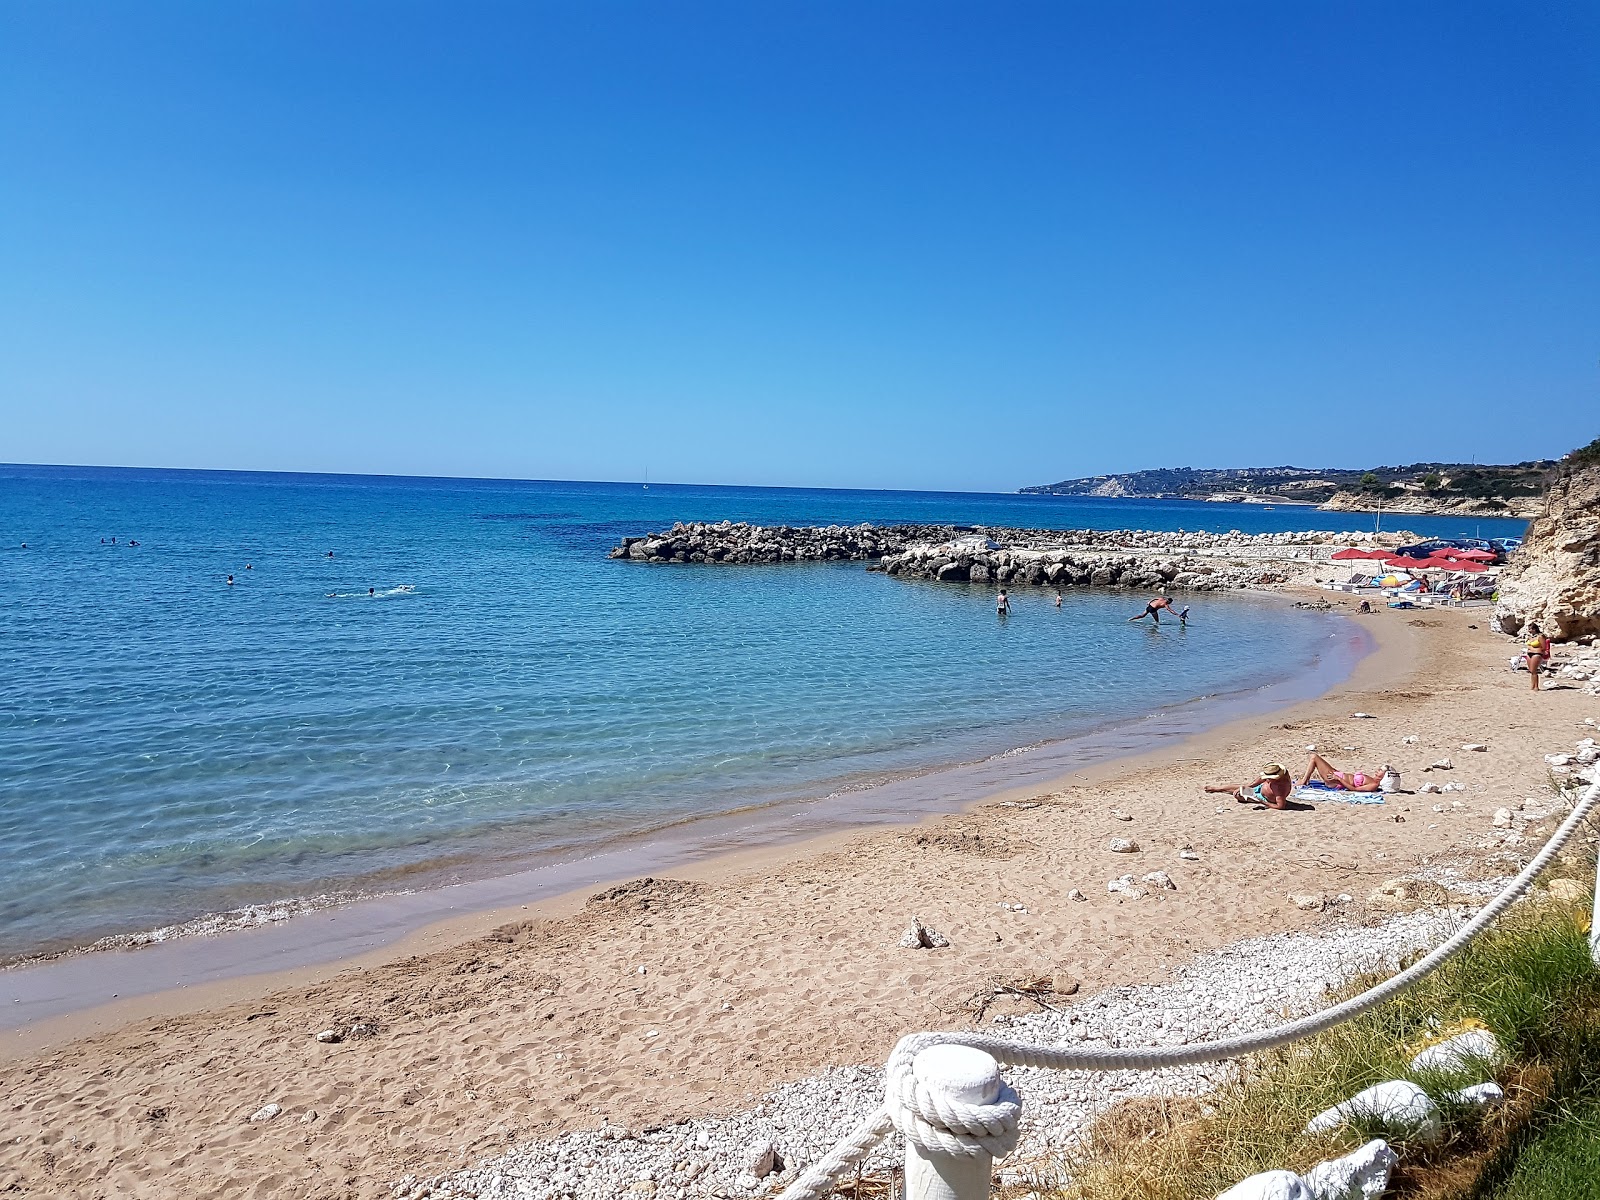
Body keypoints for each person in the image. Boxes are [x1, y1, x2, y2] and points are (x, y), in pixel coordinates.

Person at [1205, 764, 1293, 809]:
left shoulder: (1279, 789)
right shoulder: (1279, 775)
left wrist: (1263, 802)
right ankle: (1218, 788)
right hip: (1262, 787)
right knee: (1242, 788)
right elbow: (1260, 779)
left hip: (1264, 798)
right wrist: (1247, 787)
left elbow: (1280, 806)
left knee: (1238, 795)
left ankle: (1223, 790)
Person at [1299, 753, 1385, 792]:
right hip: (1338, 776)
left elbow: (1354, 789)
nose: (1378, 769)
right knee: (1314, 757)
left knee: (1314, 757)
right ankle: (1305, 780)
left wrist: (1338, 779)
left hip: (1336, 781)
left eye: (1381, 770)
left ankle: (1304, 781)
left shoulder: (1374, 785)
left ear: (1384, 776)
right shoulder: (1372, 780)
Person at [1525, 623, 1551, 691]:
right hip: (1529, 654)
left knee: (1534, 671)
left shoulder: (1540, 637)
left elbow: (1544, 647)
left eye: (1530, 629)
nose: (1529, 630)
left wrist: (1535, 650)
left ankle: (1536, 686)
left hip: (1536, 654)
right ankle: (1532, 685)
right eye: (1529, 629)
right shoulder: (1530, 637)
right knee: (1531, 671)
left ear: (1535, 629)